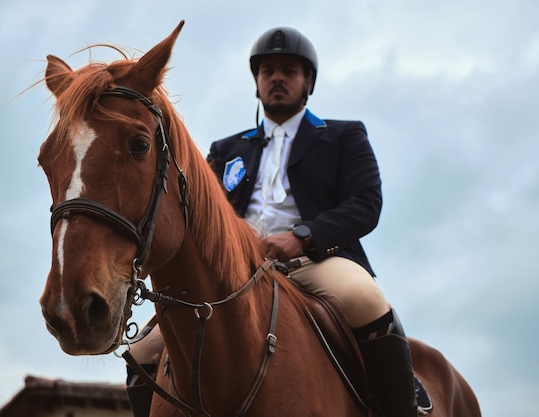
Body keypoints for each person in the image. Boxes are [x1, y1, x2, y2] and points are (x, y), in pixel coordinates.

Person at [127, 27, 422, 417]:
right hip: (235, 272)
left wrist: (304, 236)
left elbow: (365, 203)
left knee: (366, 300)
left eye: (289, 70)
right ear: (257, 83)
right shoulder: (227, 149)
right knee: (140, 351)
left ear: (308, 82)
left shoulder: (343, 135)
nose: (277, 78)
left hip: (314, 262)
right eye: (268, 70)